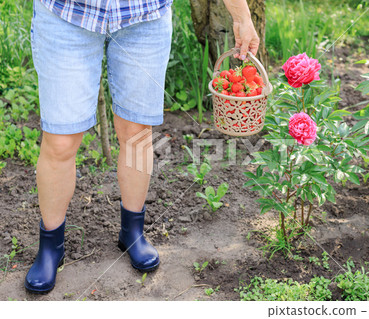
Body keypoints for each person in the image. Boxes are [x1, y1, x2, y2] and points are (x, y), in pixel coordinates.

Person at [25, 0, 259, 294]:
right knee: (60, 141)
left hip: (144, 15)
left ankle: (132, 232)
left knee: (136, 132)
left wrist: (241, 15)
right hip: (67, 13)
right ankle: (50, 246)